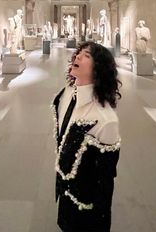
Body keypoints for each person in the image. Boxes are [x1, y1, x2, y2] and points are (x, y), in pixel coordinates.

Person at [51, 41, 122, 232]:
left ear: (99, 69)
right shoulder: (64, 95)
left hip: (86, 207)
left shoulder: (105, 119)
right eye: (79, 53)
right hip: (65, 193)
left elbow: (105, 181)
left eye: (87, 55)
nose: (78, 56)